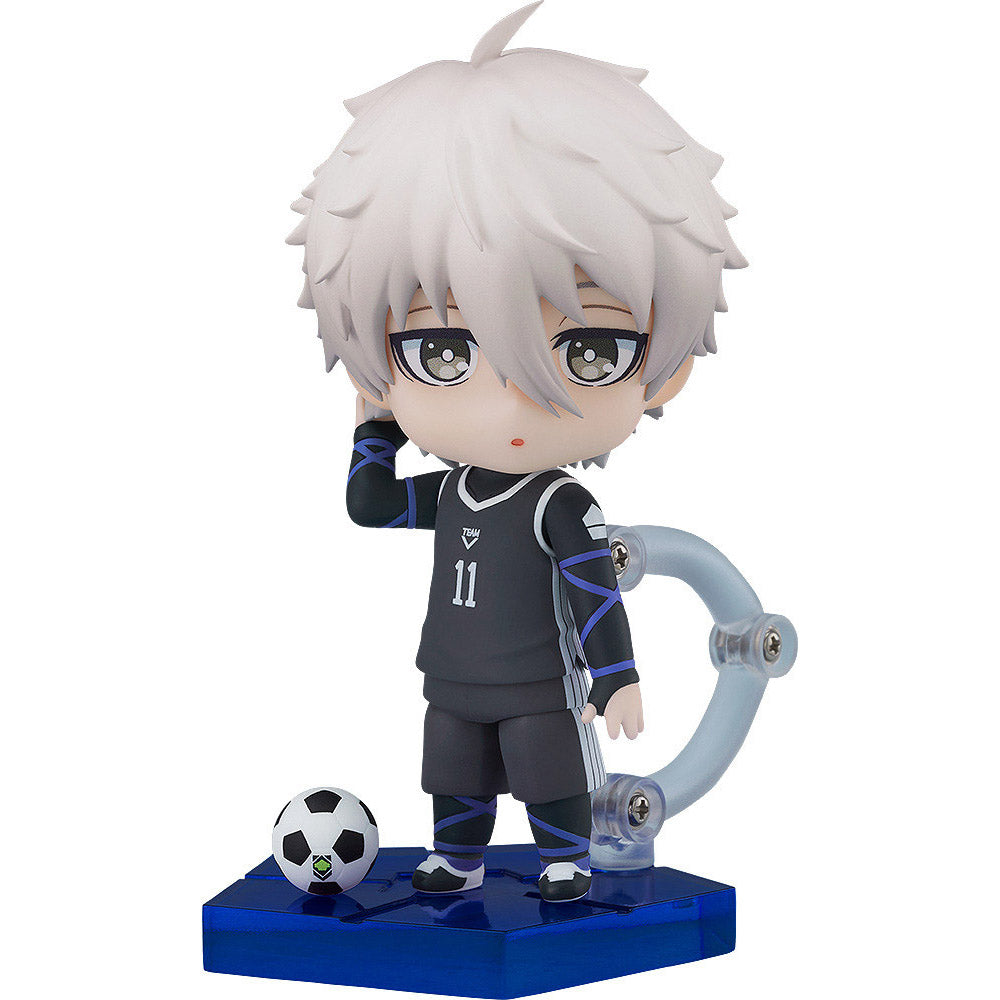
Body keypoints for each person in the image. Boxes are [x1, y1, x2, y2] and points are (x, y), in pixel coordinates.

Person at [288, 1, 744, 901]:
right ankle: (457, 860)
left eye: (591, 350)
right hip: (452, 677)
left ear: (665, 372)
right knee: (453, 768)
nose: (510, 401)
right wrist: (374, 422)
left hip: (539, 684)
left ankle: (564, 859)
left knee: (546, 770)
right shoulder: (454, 489)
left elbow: (592, 587)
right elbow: (372, 506)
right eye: (443, 352)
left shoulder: (560, 505)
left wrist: (617, 680)